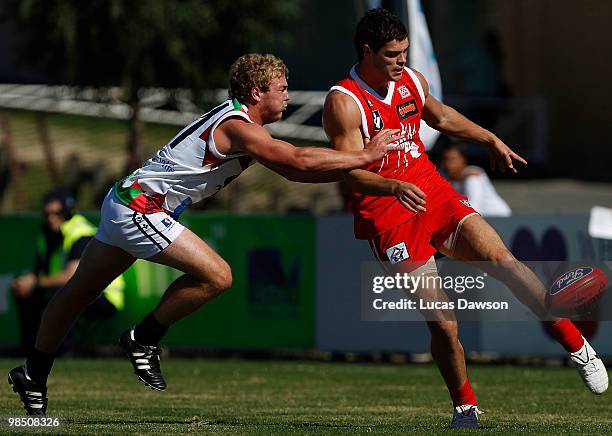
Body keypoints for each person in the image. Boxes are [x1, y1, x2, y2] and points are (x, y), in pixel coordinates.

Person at [7, 53, 401, 416]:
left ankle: (33, 373)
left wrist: (359, 171)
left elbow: (295, 170)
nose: (288, 95)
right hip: (141, 206)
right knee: (218, 276)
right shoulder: (238, 127)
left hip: (126, 199)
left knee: (76, 294)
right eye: (282, 87)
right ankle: (144, 337)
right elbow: (297, 158)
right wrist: (363, 156)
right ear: (257, 92)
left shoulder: (244, 126)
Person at [322, 8, 607, 429]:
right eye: (392, 54)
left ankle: (577, 345)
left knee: (504, 261)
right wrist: (393, 186)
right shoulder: (344, 102)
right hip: (389, 214)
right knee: (444, 323)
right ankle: (465, 408)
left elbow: (441, 117)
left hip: (433, 192)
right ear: (367, 51)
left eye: (404, 52)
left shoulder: (411, 81)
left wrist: (489, 138)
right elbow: (349, 174)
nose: (402, 61)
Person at [12, 189, 125, 354]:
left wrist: (36, 282)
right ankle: (31, 352)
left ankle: (62, 353)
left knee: (62, 293)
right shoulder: (47, 235)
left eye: (57, 213)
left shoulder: (81, 233)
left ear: (67, 211)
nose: (52, 218)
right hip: (73, 289)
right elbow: (41, 271)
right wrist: (28, 282)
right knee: (25, 293)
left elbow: (72, 275)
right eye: (47, 213)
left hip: (103, 296)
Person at [440, 143, 511, 217]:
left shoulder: (473, 178)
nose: (448, 164)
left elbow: (474, 207)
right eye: (445, 159)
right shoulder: (445, 177)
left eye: (453, 159)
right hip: (482, 219)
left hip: (498, 217)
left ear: (463, 160)